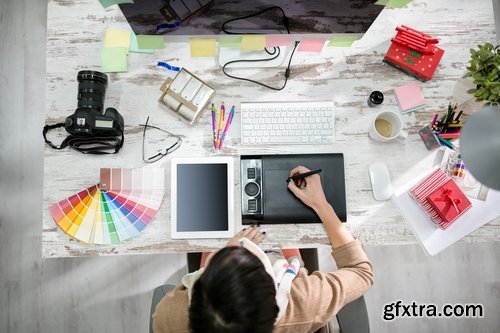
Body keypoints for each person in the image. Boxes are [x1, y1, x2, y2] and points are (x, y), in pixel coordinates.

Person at [152, 166, 374, 333]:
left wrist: (221, 250)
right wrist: (322, 205)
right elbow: (361, 272)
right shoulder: (304, 302)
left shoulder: (169, 317)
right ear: (276, 287)